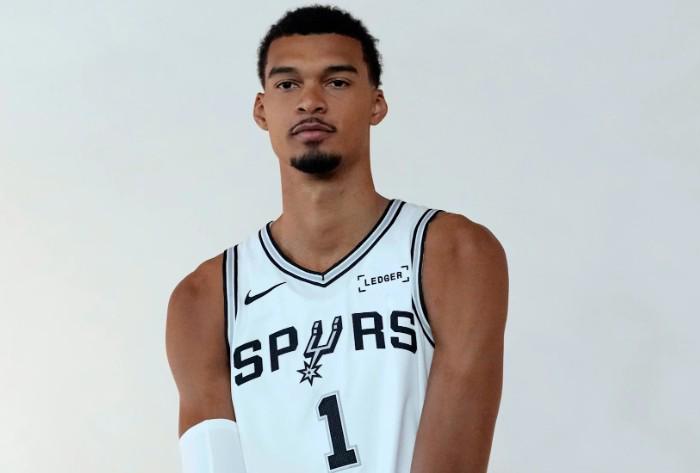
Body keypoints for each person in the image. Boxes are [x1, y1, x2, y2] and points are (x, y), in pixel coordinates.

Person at [165, 4, 508, 473]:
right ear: (262, 109)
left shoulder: (452, 253)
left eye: (337, 82)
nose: (310, 101)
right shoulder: (203, 300)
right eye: (288, 84)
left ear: (376, 103)